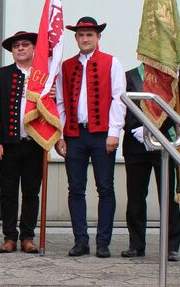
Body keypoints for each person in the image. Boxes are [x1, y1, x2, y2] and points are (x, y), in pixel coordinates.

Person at [54, 16, 126, 259]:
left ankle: (103, 242)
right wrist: (61, 134)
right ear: (76, 38)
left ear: (98, 37)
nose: (85, 39)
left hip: (102, 135)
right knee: (75, 188)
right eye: (81, 35)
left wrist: (114, 132)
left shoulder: (111, 62)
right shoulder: (66, 66)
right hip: (74, 135)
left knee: (105, 188)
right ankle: (80, 241)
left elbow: (119, 98)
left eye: (89, 35)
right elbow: (61, 102)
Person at [0, 31, 44, 254]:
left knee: (31, 192)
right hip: (8, 145)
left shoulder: (43, 75)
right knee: (9, 193)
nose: (20, 48)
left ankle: (27, 237)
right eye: (16, 46)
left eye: (25, 44)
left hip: (35, 143)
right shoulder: (2, 75)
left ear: (33, 49)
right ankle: (10, 237)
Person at [121, 63, 180, 262]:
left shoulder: (171, 76)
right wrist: (135, 128)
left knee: (168, 197)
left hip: (163, 142)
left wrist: (155, 129)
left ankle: (171, 246)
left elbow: (175, 109)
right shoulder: (130, 75)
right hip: (135, 143)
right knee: (136, 197)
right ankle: (136, 244)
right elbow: (122, 105)